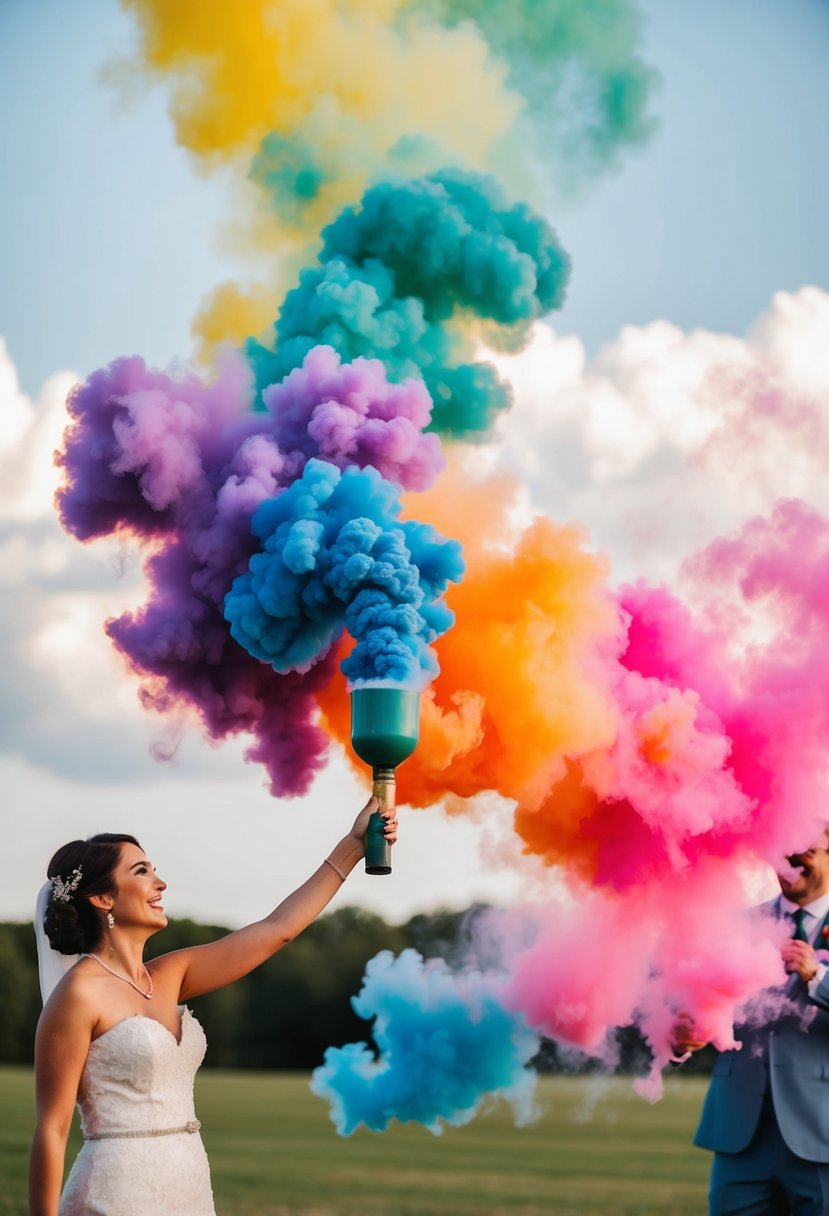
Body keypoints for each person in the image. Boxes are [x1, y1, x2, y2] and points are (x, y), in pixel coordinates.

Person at [29, 795, 395, 1216]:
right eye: (141, 871)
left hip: (190, 1189)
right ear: (102, 899)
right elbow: (52, 1130)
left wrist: (353, 844)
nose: (160, 882)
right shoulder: (78, 995)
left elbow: (277, 929)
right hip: (114, 1194)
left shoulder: (172, 974)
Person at [674, 835, 829, 1215]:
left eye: (804, 850)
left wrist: (818, 977)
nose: (789, 860)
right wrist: (682, 1038)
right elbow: (693, 1004)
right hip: (739, 1133)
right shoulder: (735, 925)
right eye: (779, 849)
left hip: (822, 1132)